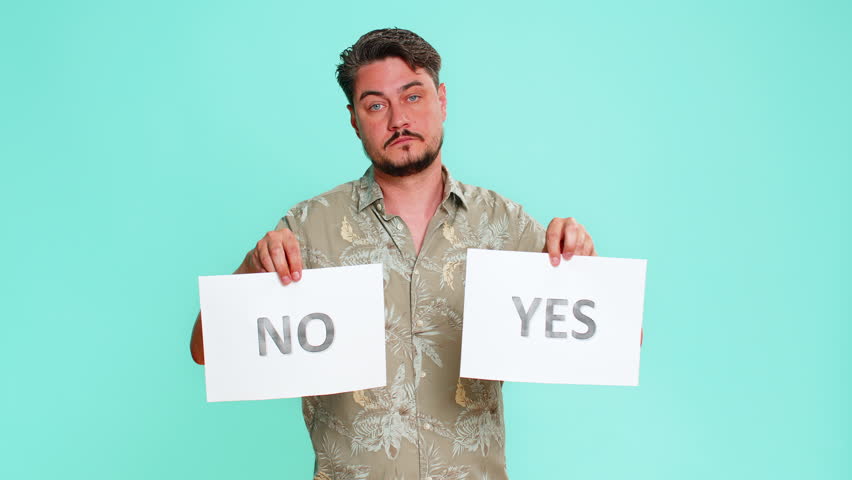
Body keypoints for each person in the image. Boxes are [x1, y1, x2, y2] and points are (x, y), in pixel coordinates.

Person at [191, 28, 599, 479]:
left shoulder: (502, 224)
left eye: (413, 97)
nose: (398, 120)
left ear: (442, 100)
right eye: (376, 105)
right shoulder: (308, 227)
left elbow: (616, 340)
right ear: (354, 119)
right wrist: (253, 266)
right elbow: (205, 350)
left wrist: (581, 260)